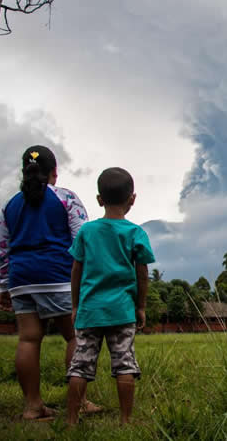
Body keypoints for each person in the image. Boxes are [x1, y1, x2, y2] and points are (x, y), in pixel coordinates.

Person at [0, 145, 99, 420]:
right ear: (54, 172)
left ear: (24, 171)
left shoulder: (10, 205)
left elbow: (3, 248)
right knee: (75, 336)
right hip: (59, 278)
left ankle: (33, 406)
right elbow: (81, 239)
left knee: (28, 339)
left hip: (21, 279)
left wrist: (3, 285)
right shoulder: (66, 198)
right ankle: (79, 402)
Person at [66, 167, 155, 425]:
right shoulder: (135, 233)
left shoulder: (86, 231)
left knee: (80, 366)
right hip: (122, 310)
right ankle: (126, 420)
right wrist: (140, 307)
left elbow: (76, 272)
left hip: (90, 310)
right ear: (132, 199)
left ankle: (71, 420)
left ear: (99, 199)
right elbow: (142, 275)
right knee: (125, 365)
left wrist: (75, 306)